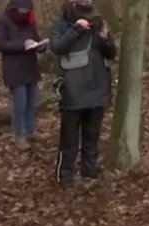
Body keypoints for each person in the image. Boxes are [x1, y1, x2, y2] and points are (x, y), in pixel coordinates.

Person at [50, 0, 117, 186]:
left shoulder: (98, 21)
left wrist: (105, 39)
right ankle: (65, 175)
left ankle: (89, 169)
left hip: (98, 88)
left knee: (92, 135)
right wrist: (76, 30)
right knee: (69, 139)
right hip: (72, 90)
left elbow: (111, 53)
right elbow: (57, 47)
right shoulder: (61, 24)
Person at [0, 0, 45, 149]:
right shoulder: (1, 20)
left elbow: (36, 38)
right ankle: (18, 134)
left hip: (30, 65)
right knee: (19, 102)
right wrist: (23, 45)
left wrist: (40, 46)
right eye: (24, 8)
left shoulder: (29, 20)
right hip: (13, 67)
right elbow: (1, 44)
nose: (26, 11)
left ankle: (30, 131)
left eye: (28, 9)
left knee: (31, 102)